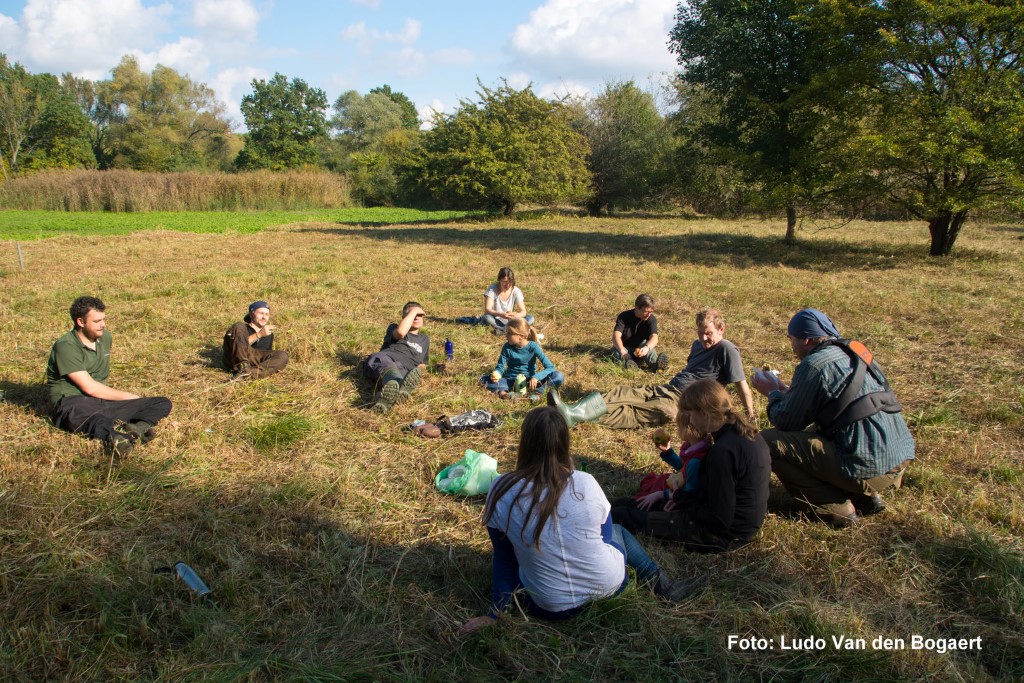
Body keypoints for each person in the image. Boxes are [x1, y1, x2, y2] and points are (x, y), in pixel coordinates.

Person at [461, 406, 705, 635]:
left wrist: (496, 614)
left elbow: (504, 558)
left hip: (547, 606)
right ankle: (663, 585)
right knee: (620, 531)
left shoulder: (501, 488)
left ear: (524, 443)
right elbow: (606, 537)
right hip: (609, 587)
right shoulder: (585, 482)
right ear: (565, 444)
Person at [751, 308, 915, 527]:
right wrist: (787, 393)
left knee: (768, 442)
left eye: (791, 339)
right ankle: (866, 498)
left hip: (869, 466)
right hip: (898, 457)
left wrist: (772, 394)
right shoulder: (857, 351)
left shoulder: (814, 365)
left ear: (806, 339)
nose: (791, 346)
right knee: (811, 434)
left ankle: (838, 510)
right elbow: (842, 407)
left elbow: (786, 421)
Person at [611, 379, 770, 552]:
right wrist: (678, 499)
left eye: (691, 414)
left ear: (703, 413)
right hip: (734, 522)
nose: (691, 421)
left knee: (622, 516)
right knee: (625, 504)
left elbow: (718, 519)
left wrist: (680, 499)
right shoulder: (747, 434)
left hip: (726, 534)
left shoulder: (723, 451)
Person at [547, 309, 756, 429]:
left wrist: (750, 419)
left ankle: (573, 417)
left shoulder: (727, 349)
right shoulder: (697, 345)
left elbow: (742, 387)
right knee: (621, 392)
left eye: (708, 333)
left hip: (683, 402)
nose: (703, 338)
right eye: (700, 332)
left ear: (721, 329)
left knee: (632, 411)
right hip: (667, 388)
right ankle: (572, 412)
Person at [45, 296, 173, 458]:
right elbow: (89, 387)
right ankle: (114, 438)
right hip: (72, 401)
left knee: (161, 402)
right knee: (94, 419)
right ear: (80, 322)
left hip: (100, 402)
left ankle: (139, 427)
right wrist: (129, 397)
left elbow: (97, 390)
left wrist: (132, 402)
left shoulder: (105, 338)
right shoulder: (66, 346)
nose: (103, 325)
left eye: (103, 320)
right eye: (97, 321)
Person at [363, 301, 429, 413]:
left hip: (405, 369)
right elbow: (400, 333)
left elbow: (422, 364)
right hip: (387, 359)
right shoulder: (394, 327)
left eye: (419, 315)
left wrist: (431, 368)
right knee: (389, 370)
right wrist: (414, 311)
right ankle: (396, 384)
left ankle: (382, 400)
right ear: (404, 317)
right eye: (413, 314)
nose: (416, 317)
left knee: (397, 381)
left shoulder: (424, 339)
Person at [483, 318, 564, 398]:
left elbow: (550, 367)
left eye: (509, 333)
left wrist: (536, 377)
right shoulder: (506, 347)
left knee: (559, 376)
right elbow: (500, 366)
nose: (506, 336)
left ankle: (538, 393)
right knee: (484, 379)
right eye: (506, 332)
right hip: (511, 380)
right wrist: (497, 375)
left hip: (530, 380)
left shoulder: (533, 347)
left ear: (521, 336)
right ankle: (506, 395)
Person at [222, 300, 289, 379]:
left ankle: (249, 374)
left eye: (267, 314)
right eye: (261, 313)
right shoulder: (240, 329)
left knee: (282, 355)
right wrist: (259, 334)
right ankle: (243, 367)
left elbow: (264, 355)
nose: (264, 317)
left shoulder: (269, 334)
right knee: (238, 325)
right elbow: (236, 346)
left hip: (254, 361)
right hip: (235, 359)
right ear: (251, 314)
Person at [612, 294, 668, 372]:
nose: (649, 314)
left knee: (648, 345)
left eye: (651, 312)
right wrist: (622, 350)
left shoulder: (651, 319)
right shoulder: (624, 316)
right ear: (637, 308)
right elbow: (616, 336)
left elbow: (654, 338)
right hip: (626, 349)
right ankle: (629, 365)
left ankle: (655, 366)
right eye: (646, 311)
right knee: (616, 352)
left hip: (641, 349)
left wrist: (646, 348)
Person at [482, 267, 534, 333]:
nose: (508, 285)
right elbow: (487, 310)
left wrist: (515, 315)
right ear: (499, 280)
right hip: (496, 319)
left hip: (511, 320)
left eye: (510, 282)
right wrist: (501, 314)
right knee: (487, 318)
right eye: (505, 282)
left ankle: (504, 330)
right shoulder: (492, 289)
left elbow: (523, 311)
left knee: (531, 318)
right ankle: (512, 329)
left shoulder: (516, 290)